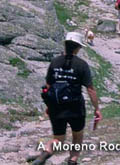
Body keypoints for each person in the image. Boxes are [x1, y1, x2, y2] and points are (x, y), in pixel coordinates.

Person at [34, 32, 102, 165]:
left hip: (56, 106)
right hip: (75, 106)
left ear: (65, 45)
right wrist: (97, 108)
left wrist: (49, 106)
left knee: (58, 139)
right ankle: (72, 161)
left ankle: (44, 155)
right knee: (77, 136)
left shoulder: (55, 62)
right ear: (78, 47)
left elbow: (48, 86)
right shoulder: (82, 65)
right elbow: (90, 89)